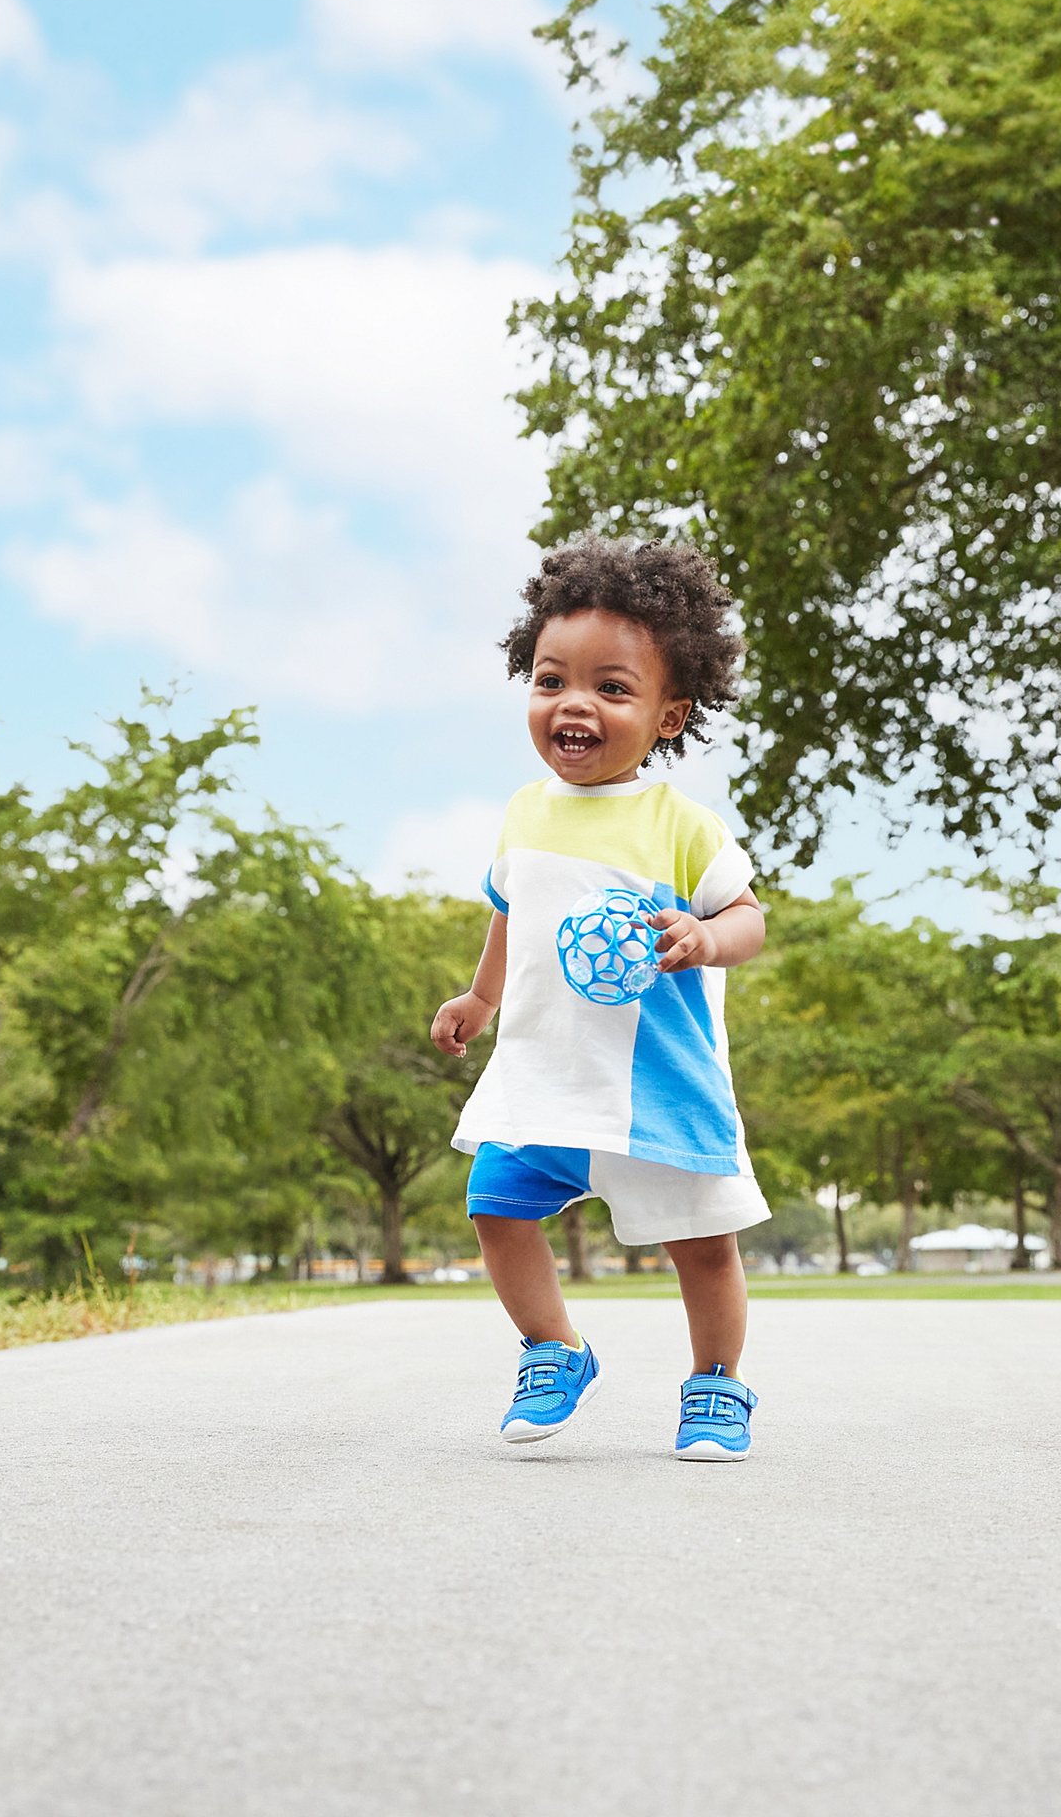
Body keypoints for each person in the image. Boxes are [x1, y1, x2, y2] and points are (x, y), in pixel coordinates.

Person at [430, 536, 770, 1462]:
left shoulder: (680, 826)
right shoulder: (523, 813)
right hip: (545, 1069)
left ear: (670, 714)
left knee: (703, 1245)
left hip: (654, 1080)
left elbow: (749, 919)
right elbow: (513, 912)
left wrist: (704, 939)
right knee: (495, 1206)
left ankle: (716, 1384)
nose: (574, 704)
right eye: (552, 681)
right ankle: (554, 1349)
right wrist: (480, 996)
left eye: (612, 689)